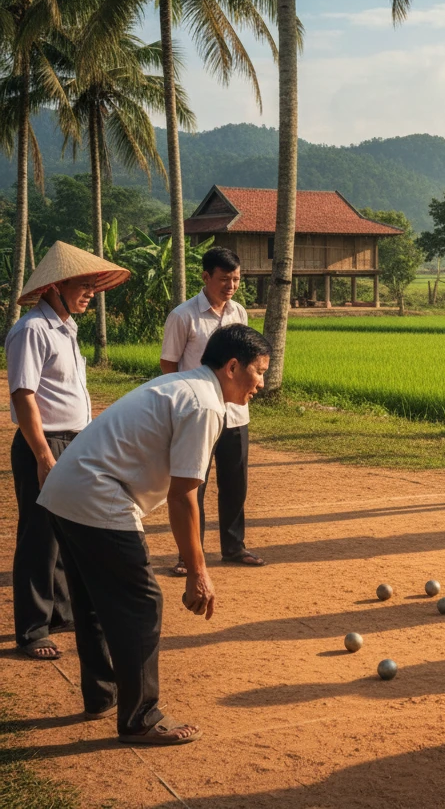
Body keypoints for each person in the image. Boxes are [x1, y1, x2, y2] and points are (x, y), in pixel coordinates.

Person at [38, 324, 271, 744]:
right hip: (96, 496)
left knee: (91, 601)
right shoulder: (204, 405)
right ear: (233, 367)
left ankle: (102, 696)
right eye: (259, 371)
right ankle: (140, 717)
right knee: (141, 604)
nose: (262, 382)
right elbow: (184, 496)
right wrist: (198, 571)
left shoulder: (186, 386)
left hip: (66, 491)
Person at [5, 241, 129, 661]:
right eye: (83, 284)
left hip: (74, 440)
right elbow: (24, 397)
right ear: (56, 285)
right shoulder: (32, 329)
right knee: (39, 534)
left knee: (65, 530)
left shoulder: (65, 327)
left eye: (94, 285)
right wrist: (43, 455)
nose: (91, 292)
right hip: (46, 441)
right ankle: (32, 628)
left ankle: (59, 612)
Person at [160, 247, 264, 572]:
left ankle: (234, 547)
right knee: (194, 484)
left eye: (235, 279)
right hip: (198, 414)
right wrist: (180, 405)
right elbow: (169, 363)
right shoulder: (183, 315)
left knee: (235, 483)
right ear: (205, 277)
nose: (230, 285)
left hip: (235, 414)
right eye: (224, 279)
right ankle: (189, 555)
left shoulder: (239, 313)